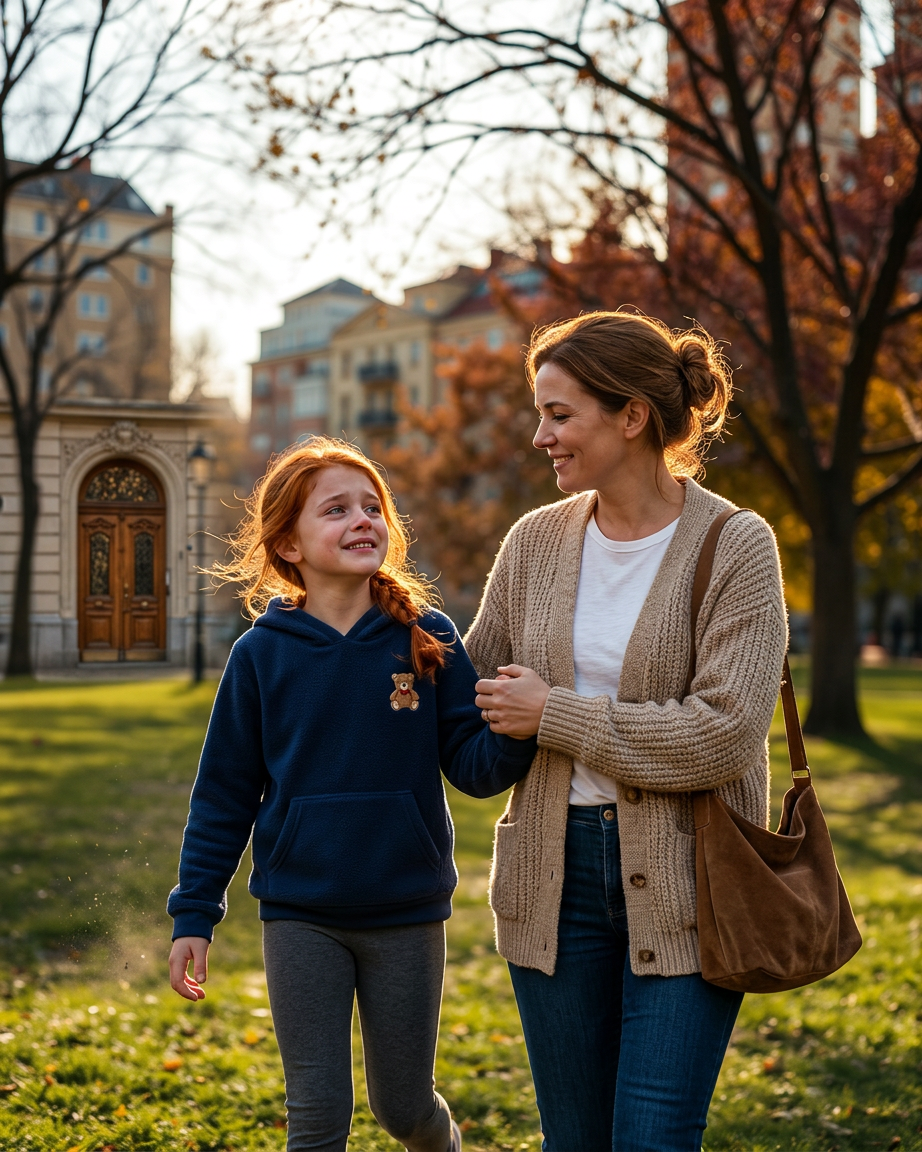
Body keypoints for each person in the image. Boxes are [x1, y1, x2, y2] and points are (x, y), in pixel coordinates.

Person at [468, 312, 787, 1152]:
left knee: (651, 1139)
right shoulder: (534, 542)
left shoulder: (735, 544)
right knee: (572, 1141)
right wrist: (339, 621)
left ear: (632, 415)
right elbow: (468, 690)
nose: (542, 437)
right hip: (550, 879)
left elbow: (724, 734)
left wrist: (557, 715)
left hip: (690, 883)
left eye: (560, 415)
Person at [166, 439, 537, 1152]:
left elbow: (474, 767)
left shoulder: (427, 637)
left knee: (404, 1108)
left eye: (372, 507)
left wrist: (521, 727)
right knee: (317, 1112)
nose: (362, 519)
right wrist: (194, 913)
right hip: (301, 916)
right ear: (288, 543)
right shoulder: (260, 655)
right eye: (336, 510)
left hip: (406, 912)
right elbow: (223, 796)